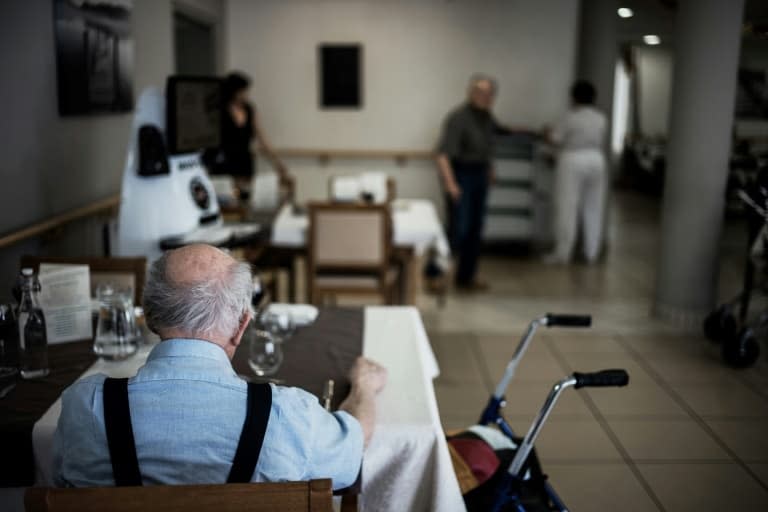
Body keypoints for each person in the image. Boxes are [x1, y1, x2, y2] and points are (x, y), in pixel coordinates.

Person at [52, 244, 387, 489]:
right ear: (242, 326)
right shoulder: (288, 415)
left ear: (151, 316)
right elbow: (353, 447)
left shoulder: (85, 407)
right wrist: (364, 387)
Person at [435, 75, 513, 291]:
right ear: (470, 93)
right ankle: (435, 275)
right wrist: (451, 185)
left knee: (475, 230)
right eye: (479, 92)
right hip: (461, 176)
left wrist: (490, 169)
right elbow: (442, 155)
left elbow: (487, 144)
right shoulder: (458, 118)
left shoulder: (487, 117)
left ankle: (466, 277)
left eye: (488, 93)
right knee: (457, 230)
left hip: (479, 175)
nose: (484, 97)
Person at [544, 80, 608, 264]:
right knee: (593, 207)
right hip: (597, 159)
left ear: (574, 97)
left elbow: (555, 139)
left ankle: (563, 253)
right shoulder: (601, 117)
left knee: (567, 206)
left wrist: (546, 132)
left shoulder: (570, 117)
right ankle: (591, 252)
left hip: (573, 160)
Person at [209, 71, 292, 199]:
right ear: (234, 91)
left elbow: (261, 137)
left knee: (246, 196)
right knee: (227, 197)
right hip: (225, 163)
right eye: (243, 91)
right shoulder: (220, 110)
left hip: (244, 161)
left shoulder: (249, 109)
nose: (246, 94)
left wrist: (277, 162)